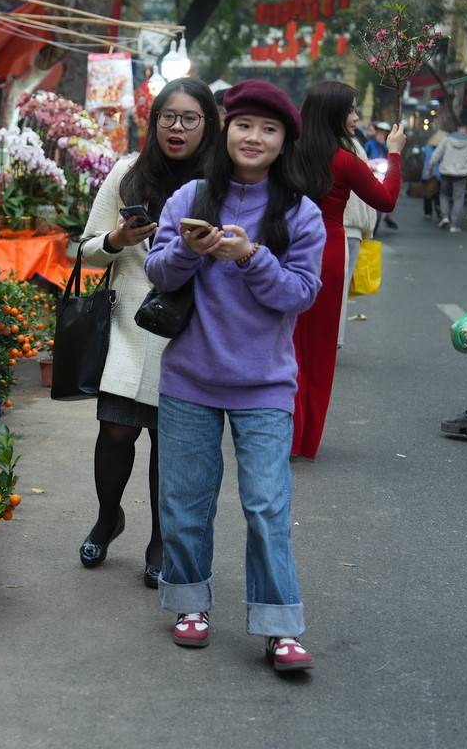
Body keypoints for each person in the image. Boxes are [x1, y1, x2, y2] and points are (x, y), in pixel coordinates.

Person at [145, 79, 325, 673]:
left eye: (269, 130)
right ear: (226, 128)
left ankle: (279, 625)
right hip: (189, 379)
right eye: (245, 124)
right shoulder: (192, 196)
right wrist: (192, 250)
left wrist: (250, 257)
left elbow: (300, 295)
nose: (255, 137)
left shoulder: (301, 213)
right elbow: (159, 273)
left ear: (283, 143)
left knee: (267, 504)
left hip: (265, 384)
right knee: (184, 501)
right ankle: (189, 603)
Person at [77, 77, 220, 588]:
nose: (176, 128)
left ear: (209, 125)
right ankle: (107, 516)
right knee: (115, 430)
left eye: (189, 119)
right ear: (153, 121)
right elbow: (86, 249)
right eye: (168, 117)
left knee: (169, 441)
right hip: (128, 324)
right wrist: (117, 238)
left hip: (189, 327)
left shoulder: (221, 184)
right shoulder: (125, 174)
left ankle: (160, 541)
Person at [292, 81, 403, 459]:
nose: (356, 117)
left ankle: (280, 431)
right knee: (319, 349)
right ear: (335, 114)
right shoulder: (344, 160)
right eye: (351, 110)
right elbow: (386, 200)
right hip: (327, 253)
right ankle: (305, 440)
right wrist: (394, 154)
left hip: (285, 250)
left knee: (284, 343)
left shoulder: (286, 152)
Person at [338, 142, 376, 349]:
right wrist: (368, 229)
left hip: (327, 227)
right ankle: (335, 338)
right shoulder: (354, 147)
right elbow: (371, 192)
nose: (355, 117)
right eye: (350, 110)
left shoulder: (309, 140)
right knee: (340, 289)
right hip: (352, 228)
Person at [431, 109, 467, 232]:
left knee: (443, 194)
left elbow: (437, 154)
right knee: (458, 198)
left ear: (458, 128)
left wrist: (430, 167)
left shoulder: (447, 138)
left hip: (445, 172)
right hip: (461, 174)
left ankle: (445, 217)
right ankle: (454, 225)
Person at [364, 122, 399, 230]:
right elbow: (365, 155)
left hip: (385, 169)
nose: (380, 133)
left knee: (392, 188)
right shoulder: (370, 143)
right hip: (373, 168)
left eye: (382, 132)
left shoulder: (388, 144)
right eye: (378, 131)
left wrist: (383, 143)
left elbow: (392, 154)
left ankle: (389, 216)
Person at [421, 122, 447, 222]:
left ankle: (428, 213)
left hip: (426, 174)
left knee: (427, 194)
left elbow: (423, 159)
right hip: (440, 175)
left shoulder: (427, 148)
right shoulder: (443, 149)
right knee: (438, 194)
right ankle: (438, 208)